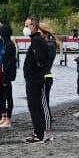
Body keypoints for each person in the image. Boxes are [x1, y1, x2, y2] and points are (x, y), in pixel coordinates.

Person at [22, 16, 49, 144]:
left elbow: (41, 59)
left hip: (34, 78)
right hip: (33, 77)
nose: (25, 28)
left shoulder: (37, 40)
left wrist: (33, 70)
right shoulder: (35, 40)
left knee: (34, 106)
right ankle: (39, 132)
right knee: (35, 105)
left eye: (27, 26)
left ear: (34, 26)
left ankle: (39, 134)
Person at [38, 22, 58, 140]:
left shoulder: (49, 45)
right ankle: (45, 122)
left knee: (44, 101)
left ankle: (47, 126)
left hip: (46, 76)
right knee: (42, 101)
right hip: (43, 75)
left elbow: (45, 63)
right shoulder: (46, 44)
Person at [0, 24, 16, 128]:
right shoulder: (5, 44)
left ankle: (8, 119)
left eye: (0, 33)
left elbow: (10, 62)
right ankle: (3, 117)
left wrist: (6, 75)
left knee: (8, 97)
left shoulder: (10, 45)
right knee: (2, 95)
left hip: (7, 74)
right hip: (3, 72)